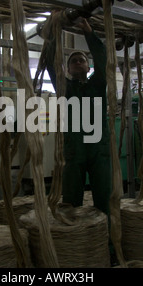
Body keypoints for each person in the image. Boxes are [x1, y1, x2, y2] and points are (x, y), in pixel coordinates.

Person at [45, 14, 111, 217]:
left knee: (104, 197)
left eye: (81, 60)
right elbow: (50, 63)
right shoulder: (65, 88)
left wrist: (88, 32)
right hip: (74, 150)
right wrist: (54, 33)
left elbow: (103, 60)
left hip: (98, 148)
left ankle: (106, 241)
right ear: (68, 68)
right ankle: (74, 240)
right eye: (73, 61)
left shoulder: (98, 84)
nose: (77, 62)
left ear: (88, 67)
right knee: (71, 200)